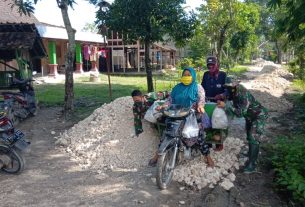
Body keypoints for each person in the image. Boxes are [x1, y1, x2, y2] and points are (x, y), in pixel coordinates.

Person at [149, 67, 214, 167]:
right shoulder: (177, 88)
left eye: (189, 75)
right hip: (177, 114)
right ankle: (158, 155)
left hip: (192, 114)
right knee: (167, 133)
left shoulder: (198, 87)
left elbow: (201, 99)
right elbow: (170, 100)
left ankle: (208, 157)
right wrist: (163, 105)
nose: (186, 77)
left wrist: (200, 106)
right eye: (185, 75)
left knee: (199, 137)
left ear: (193, 76)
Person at [219, 83, 268, 173]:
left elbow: (240, 113)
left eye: (230, 89)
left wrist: (226, 106)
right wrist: (222, 96)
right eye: (227, 89)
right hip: (250, 117)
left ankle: (252, 165)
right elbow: (229, 97)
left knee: (254, 138)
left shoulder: (244, 95)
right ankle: (250, 154)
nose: (228, 91)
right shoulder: (234, 92)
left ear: (235, 88)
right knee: (249, 136)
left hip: (258, 116)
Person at [201, 56, 229, 151]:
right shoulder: (206, 75)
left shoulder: (223, 75)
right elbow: (202, 88)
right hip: (208, 102)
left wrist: (221, 95)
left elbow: (228, 90)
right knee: (206, 122)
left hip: (219, 103)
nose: (210, 67)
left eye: (212, 65)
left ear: (217, 65)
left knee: (218, 122)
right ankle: (208, 142)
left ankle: (219, 144)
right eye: (209, 66)